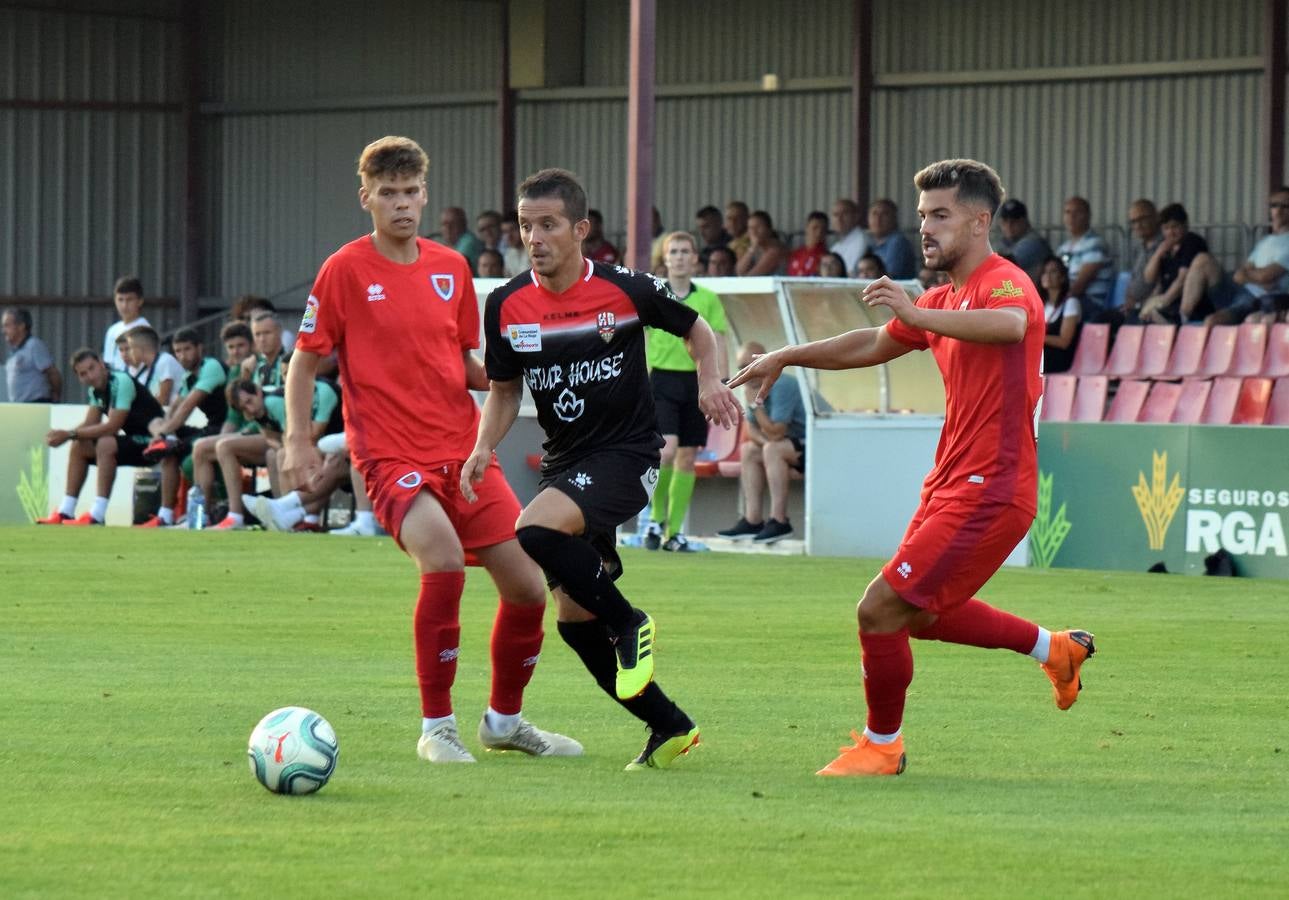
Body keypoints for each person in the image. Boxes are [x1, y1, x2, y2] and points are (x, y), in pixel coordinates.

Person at [729, 159, 1095, 777]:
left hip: (993, 485)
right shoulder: (943, 297)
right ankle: (1052, 649)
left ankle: (883, 747)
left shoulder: (1006, 283)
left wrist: (920, 315)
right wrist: (787, 355)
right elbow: (873, 343)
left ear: (981, 222)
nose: (926, 227)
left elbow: (1010, 327)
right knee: (918, 616)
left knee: (879, 609)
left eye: (941, 215)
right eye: (923, 215)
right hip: (951, 479)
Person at [281, 135, 580, 764]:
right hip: (391, 457)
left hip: (463, 453)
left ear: (425, 194)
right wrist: (298, 439)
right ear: (366, 198)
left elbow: (462, 360)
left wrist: (515, 363)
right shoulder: (345, 269)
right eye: (388, 193)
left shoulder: (451, 268)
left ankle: (504, 721)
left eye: (411, 192)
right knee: (441, 560)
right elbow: (304, 363)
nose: (401, 204)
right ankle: (436, 729)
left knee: (529, 585)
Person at [463, 167, 740, 770]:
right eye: (524, 225)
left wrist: (709, 381)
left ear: (580, 229)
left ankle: (630, 621)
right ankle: (669, 725)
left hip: (628, 455)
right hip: (566, 464)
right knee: (571, 620)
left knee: (533, 531)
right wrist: (484, 444)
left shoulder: (625, 288)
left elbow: (696, 330)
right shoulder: (506, 304)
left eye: (548, 225)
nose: (534, 237)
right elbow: (506, 390)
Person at [643, 231, 730, 552]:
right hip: (662, 380)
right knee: (667, 450)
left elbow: (718, 337)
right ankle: (654, 518)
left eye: (685, 251)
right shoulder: (655, 295)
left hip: (696, 382)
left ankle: (673, 533)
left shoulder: (707, 298)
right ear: (665, 260)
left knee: (688, 456)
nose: (679, 257)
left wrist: (718, 378)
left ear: (695, 258)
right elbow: (640, 337)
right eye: (673, 252)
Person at [36, 348, 164, 526]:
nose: (90, 375)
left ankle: (97, 515)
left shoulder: (120, 381)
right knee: (80, 445)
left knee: (105, 443)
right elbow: (90, 423)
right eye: (83, 374)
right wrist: (66, 434)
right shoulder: (95, 391)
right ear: (79, 379)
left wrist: (69, 434)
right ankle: (66, 511)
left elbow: (113, 426)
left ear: (102, 364)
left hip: (155, 442)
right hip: (135, 442)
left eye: (92, 368)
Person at [717, 340, 806, 544]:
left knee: (772, 449)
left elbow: (777, 433)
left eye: (749, 365)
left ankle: (779, 521)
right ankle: (753, 520)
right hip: (790, 447)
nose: (745, 372)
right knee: (749, 450)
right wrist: (767, 444)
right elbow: (752, 431)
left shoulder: (782, 384)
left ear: (764, 361)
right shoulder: (751, 387)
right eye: (740, 367)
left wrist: (754, 406)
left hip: (819, 446)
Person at [139, 327, 230, 528]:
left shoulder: (211, 366)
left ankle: (201, 515)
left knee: (172, 445)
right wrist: (162, 429)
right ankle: (165, 515)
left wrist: (164, 433)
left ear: (200, 348)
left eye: (187, 349)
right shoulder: (189, 377)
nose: (182, 356)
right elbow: (175, 408)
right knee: (167, 444)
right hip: (213, 427)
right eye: (178, 351)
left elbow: (187, 407)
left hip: (227, 428)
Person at [1209, 186, 1289, 325]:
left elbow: (1266, 276)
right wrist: (1257, 278)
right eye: (1274, 205)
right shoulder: (1264, 242)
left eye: (1285, 206)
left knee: (1213, 321)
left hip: (1261, 299)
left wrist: (1252, 276)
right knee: (1204, 263)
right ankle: (1176, 314)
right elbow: (1240, 274)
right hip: (1241, 291)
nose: (1279, 210)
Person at [1139, 203, 1230, 324]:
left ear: (1185, 225)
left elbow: (1182, 279)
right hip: (1170, 305)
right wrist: (1158, 253)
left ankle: (1180, 320)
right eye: (1166, 228)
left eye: (1175, 227)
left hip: (1195, 308)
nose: (1171, 232)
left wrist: (1162, 304)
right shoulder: (1165, 249)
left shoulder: (1192, 241)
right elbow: (1149, 279)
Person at [1055, 197, 1115, 319]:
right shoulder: (1063, 248)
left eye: (1077, 212)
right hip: (1067, 301)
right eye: (1067, 212)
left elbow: (1079, 286)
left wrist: (1055, 304)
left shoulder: (1095, 243)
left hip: (1090, 304)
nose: (1072, 217)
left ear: (1088, 216)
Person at [3, 307, 62, 403]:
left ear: (21, 326)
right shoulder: (13, 352)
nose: (3, 331)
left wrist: (55, 397)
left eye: (7, 325)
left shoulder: (34, 345)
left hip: (36, 404)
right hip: (19, 407)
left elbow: (53, 373)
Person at [1039, 257, 1082, 373]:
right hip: (1043, 356)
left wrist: (1036, 338)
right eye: (1044, 272)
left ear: (1062, 277)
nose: (1047, 275)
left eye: (1053, 271)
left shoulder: (1071, 303)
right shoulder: (1042, 304)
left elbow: (1064, 341)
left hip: (1060, 360)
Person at [995, 199, 1052, 286]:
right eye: (1005, 221)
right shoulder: (1005, 242)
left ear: (1025, 221)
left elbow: (1006, 264)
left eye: (1015, 220)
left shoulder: (1034, 242)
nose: (1009, 225)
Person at [1122, 199, 1163, 322]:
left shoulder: (1164, 245)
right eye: (1134, 221)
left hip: (1150, 309)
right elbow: (1134, 280)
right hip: (1132, 308)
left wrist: (1138, 305)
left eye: (1142, 219)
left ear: (1156, 217)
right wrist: (1129, 301)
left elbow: (1162, 285)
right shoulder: (1139, 247)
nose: (1138, 225)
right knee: (1100, 321)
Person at [125, 326, 186, 407]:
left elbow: (163, 401)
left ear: (142, 348)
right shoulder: (143, 370)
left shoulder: (165, 361)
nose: (128, 353)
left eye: (130, 348)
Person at [102, 276, 151, 372]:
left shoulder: (145, 329)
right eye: (120, 300)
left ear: (140, 301)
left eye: (129, 300)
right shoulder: (112, 330)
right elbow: (108, 362)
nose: (124, 306)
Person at [864, 199, 917, 279]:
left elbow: (888, 277)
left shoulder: (897, 242)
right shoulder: (871, 243)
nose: (878, 219)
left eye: (884, 214)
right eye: (874, 214)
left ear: (894, 218)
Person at [734, 210, 786, 275]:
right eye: (750, 228)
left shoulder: (776, 250)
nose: (754, 232)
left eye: (758, 227)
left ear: (769, 229)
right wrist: (752, 248)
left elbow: (753, 276)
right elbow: (739, 271)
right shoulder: (755, 248)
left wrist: (753, 246)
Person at [437, 205, 484, 273]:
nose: (448, 228)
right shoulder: (447, 243)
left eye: (453, 223)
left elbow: (452, 266)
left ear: (463, 224)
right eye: (444, 224)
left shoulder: (469, 241)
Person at [829, 198, 867, 274]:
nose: (839, 219)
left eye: (844, 214)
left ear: (856, 216)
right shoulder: (836, 246)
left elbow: (851, 273)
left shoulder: (861, 240)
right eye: (836, 215)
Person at [787, 211, 829, 276]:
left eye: (823, 229)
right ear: (807, 228)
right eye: (815, 228)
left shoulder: (826, 257)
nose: (819, 233)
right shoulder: (796, 253)